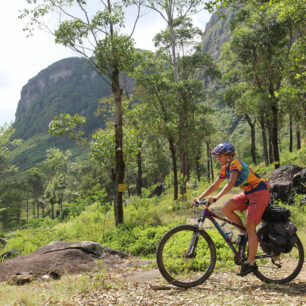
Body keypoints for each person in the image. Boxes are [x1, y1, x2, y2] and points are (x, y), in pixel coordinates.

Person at [192, 142, 270, 276]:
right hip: (248, 193)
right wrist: (199, 197)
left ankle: (250, 263)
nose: (217, 158)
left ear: (229, 155)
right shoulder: (225, 168)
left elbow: (231, 183)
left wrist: (216, 197)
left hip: (260, 192)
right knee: (226, 207)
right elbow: (215, 185)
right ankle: (244, 234)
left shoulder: (235, 164)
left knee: (250, 225)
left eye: (220, 156)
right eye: (216, 156)